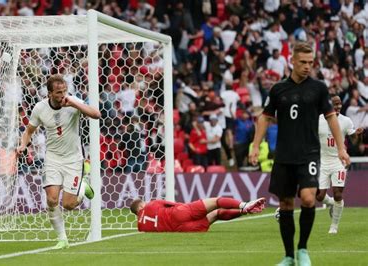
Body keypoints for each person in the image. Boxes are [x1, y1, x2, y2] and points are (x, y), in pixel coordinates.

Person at [249, 42, 350, 266]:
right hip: (284, 155)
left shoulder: (318, 88)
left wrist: (341, 148)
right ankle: (288, 256)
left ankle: (303, 249)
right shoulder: (278, 89)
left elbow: (331, 116)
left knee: (307, 198)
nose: (307, 67)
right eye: (302, 62)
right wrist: (255, 145)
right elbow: (265, 117)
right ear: (292, 61)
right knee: (285, 204)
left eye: (310, 63)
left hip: (309, 154)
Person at [17, 74, 101, 249]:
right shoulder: (40, 108)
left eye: (64, 91)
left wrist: (74, 103)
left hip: (73, 159)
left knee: (69, 205)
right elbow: (29, 130)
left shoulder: (72, 102)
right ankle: (62, 239)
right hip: (52, 158)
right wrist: (22, 145)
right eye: (58, 92)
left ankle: (82, 187)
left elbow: (96, 114)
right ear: (49, 93)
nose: (62, 95)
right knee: (52, 199)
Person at [316, 95, 364, 234]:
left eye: (339, 104)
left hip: (339, 161)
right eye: (335, 104)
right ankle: (331, 203)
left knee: (338, 193)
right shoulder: (318, 120)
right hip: (323, 162)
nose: (338, 107)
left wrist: (358, 135)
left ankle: (334, 226)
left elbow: (354, 142)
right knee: (319, 196)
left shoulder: (346, 121)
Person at [130, 197, 266, 232]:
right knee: (215, 202)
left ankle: (243, 212)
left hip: (182, 230)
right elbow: (174, 204)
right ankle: (244, 205)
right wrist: (188, 209)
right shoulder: (152, 204)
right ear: (141, 205)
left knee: (216, 215)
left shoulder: (140, 227)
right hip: (179, 213)